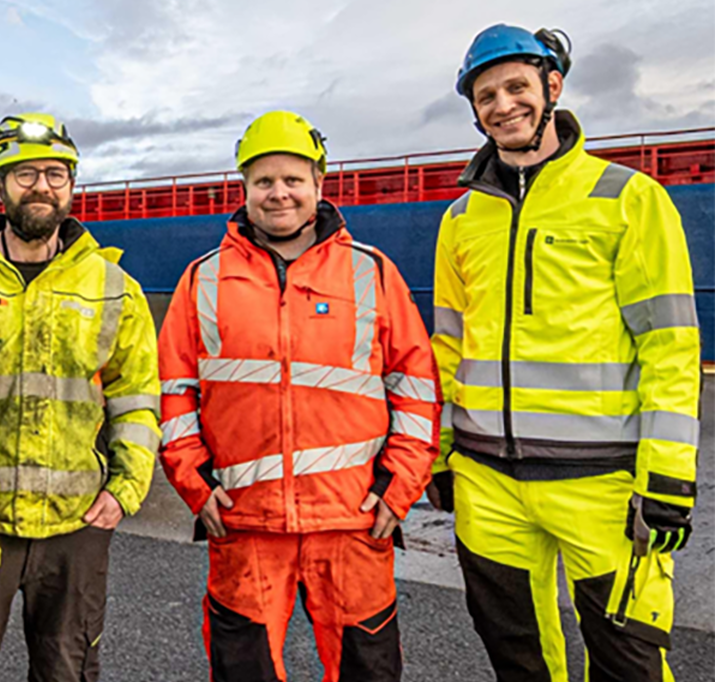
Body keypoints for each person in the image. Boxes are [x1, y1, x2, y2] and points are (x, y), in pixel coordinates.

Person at [431, 24, 700, 682]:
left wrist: (668, 479)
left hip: (602, 488)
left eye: (517, 86)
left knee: (629, 664)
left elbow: (669, 348)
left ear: (553, 86)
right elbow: (447, 348)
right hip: (487, 485)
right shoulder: (461, 219)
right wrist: (439, 453)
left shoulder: (628, 199)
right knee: (518, 661)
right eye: (486, 94)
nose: (503, 105)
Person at [157, 110, 440, 682]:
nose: (278, 193)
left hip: (354, 520)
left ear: (318, 184)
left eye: (292, 179)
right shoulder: (202, 279)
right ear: (245, 189)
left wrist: (397, 489)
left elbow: (415, 388)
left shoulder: (372, 274)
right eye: (264, 181)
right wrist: (196, 486)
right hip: (243, 524)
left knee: (369, 672)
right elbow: (174, 394)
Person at [0, 112, 161, 682]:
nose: (41, 186)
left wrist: (125, 490)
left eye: (55, 173)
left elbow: (136, 397)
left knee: (67, 671)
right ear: (0, 186)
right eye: (25, 174)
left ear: (72, 185)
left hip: (76, 526)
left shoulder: (113, 287)